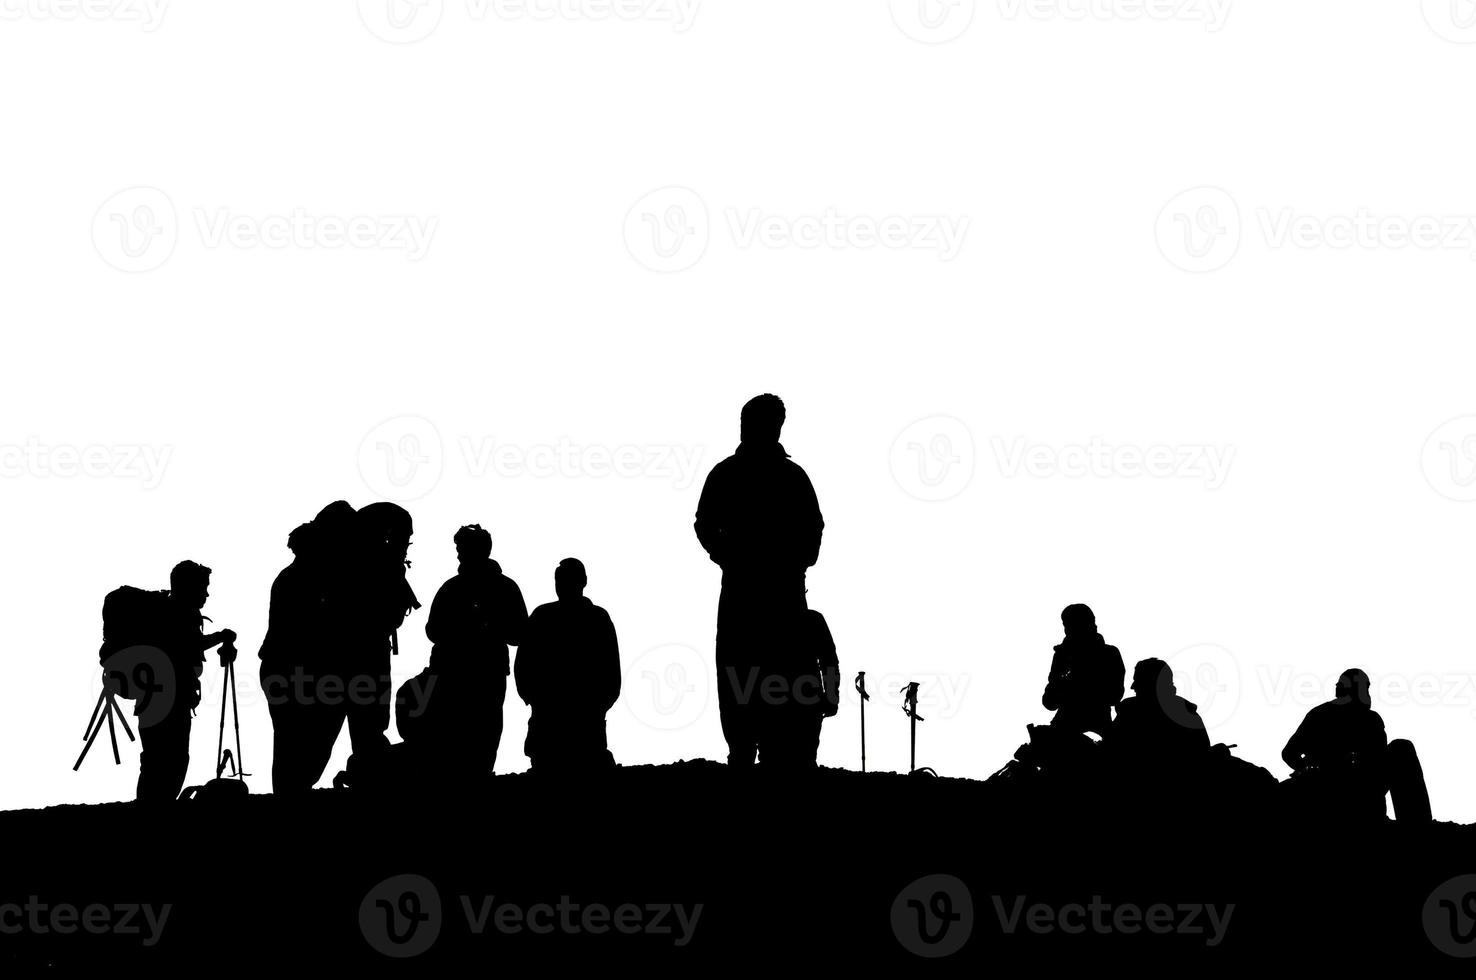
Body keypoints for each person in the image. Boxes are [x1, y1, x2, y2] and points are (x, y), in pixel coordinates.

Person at [694, 394, 824, 766]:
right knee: (746, 673)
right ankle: (746, 750)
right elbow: (704, 524)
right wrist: (727, 556)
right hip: (760, 592)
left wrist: (731, 556)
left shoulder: (756, 475)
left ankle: (756, 752)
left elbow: (813, 530)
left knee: (757, 673)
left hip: (762, 594)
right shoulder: (781, 476)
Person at [258, 501, 356, 795]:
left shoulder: (300, 575)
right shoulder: (312, 577)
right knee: (302, 744)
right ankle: (291, 797)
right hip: (297, 671)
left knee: (297, 744)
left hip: (288, 670)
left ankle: (291, 795)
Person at [419, 524, 527, 773]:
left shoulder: (455, 588)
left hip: (479, 673)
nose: (458, 554)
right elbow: (433, 631)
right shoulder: (499, 587)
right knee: (470, 737)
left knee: (479, 736)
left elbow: (519, 633)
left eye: (462, 549)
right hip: (466, 673)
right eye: (458, 549)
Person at [130, 560, 235, 803]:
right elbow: (187, 646)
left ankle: (150, 806)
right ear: (189, 587)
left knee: (156, 758)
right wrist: (222, 637)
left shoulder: (168, 611)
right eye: (203, 588)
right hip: (169, 698)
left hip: (152, 698)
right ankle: (155, 807)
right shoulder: (180, 612)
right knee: (171, 758)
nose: (206, 594)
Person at [338, 502, 420, 783]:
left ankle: (368, 767)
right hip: (367, 651)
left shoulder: (362, 560)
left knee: (368, 721)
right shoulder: (378, 564)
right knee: (369, 720)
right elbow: (390, 613)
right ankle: (370, 771)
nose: (405, 547)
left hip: (366, 649)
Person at [514, 559, 621, 773]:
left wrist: (600, 703)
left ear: (583, 582)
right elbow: (523, 663)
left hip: (584, 718)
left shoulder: (597, 618)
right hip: (549, 718)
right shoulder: (543, 617)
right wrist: (530, 695)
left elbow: (611, 669)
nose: (562, 584)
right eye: (559, 579)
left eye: (566, 579)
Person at [1282, 668, 1389, 820]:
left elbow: (1380, 766)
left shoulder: (1370, 721)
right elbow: (1289, 753)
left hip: (1360, 797)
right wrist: (1309, 769)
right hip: (1329, 795)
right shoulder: (1320, 715)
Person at [752, 608, 840, 769]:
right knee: (803, 761)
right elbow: (829, 661)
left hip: (772, 706)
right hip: (803, 705)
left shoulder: (761, 619)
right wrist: (832, 697)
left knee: (773, 761)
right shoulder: (813, 620)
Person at [1107, 658, 1210, 776]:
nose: (1132, 686)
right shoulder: (1189, 716)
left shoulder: (1129, 714)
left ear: (1153, 684)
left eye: (1139, 680)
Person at [1041, 603, 1124, 737]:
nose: (1068, 630)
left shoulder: (1109, 653)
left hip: (1098, 729)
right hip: (1064, 729)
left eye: (1072, 624)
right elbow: (1049, 702)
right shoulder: (1062, 655)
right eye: (1066, 625)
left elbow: (1114, 696)